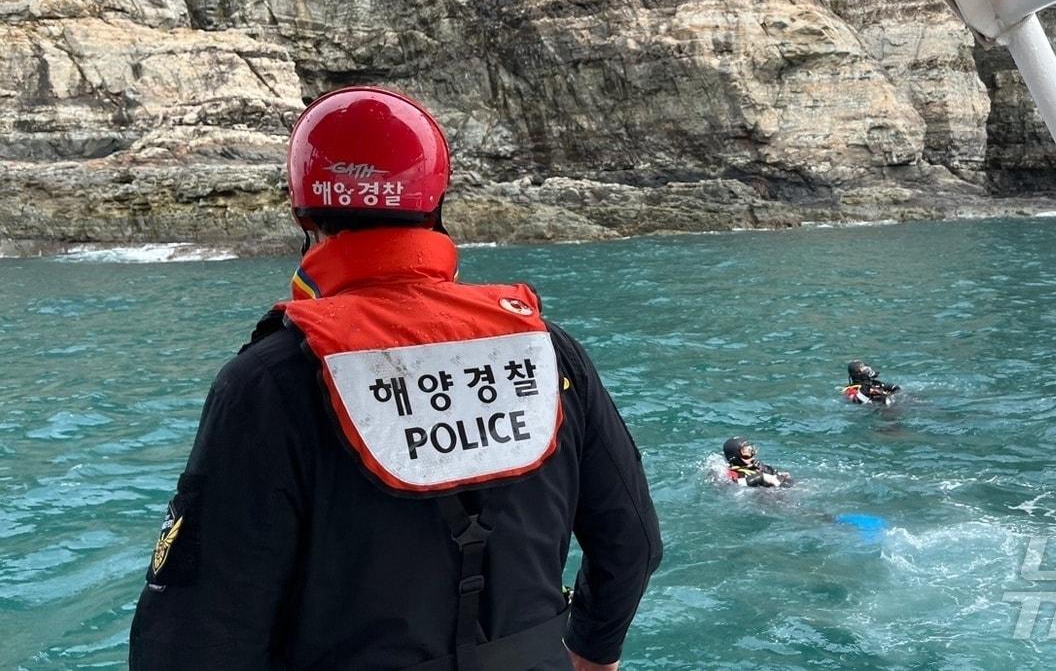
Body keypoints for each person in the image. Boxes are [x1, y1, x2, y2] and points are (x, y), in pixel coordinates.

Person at [129, 86, 662, 671]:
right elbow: (631, 544)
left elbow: (195, 634)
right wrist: (593, 654)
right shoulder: (548, 352)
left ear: (301, 209)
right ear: (437, 203)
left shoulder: (269, 381)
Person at [722, 437, 791, 488]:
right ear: (735, 457)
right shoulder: (732, 474)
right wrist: (761, 478)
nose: (752, 454)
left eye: (751, 449)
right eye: (746, 452)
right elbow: (729, 484)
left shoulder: (758, 466)